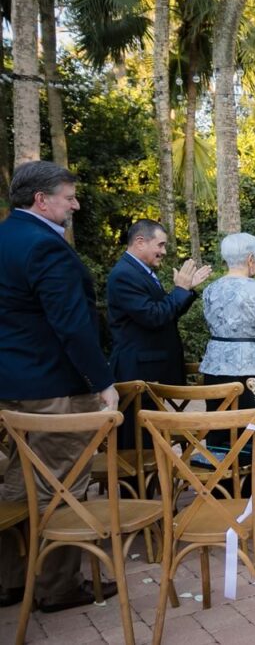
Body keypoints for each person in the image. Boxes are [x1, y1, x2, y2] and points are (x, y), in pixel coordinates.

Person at [0, 161, 119, 611]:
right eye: (69, 197)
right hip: (52, 387)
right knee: (62, 483)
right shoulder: (45, 246)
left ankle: (10, 581)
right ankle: (56, 586)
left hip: (11, 385)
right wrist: (102, 381)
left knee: (17, 481)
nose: (75, 204)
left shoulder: (4, 237)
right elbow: (71, 324)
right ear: (41, 200)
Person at [107, 219, 211, 446]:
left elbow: (166, 315)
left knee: (148, 439)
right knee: (137, 442)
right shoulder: (125, 274)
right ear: (140, 242)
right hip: (136, 371)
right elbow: (153, 316)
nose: (163, 252)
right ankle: (137, 482)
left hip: (149, 369)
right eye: (161, 245)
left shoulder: (140, 271)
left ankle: (153, 481)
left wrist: (186, 291)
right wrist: (180, 290)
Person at [199, 232, 255, 443]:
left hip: (214, 367)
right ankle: (249, 474)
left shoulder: (210, 289)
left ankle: (222, 472)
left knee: (219, 429)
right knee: (249, 433)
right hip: (250, 369)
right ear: (250, 259)